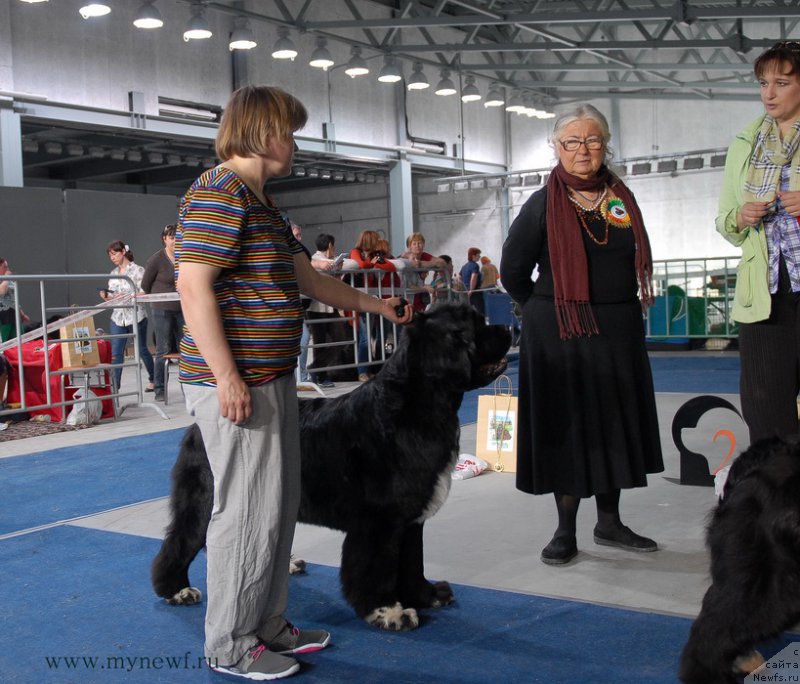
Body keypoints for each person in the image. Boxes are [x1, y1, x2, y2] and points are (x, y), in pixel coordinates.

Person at [175, 85, 411, 682]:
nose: (296, 144)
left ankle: (267, 623)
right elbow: (192, 287)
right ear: (261, 132)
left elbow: (308, 279)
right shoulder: (219, 192)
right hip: (239, 382)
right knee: (245, 513)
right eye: (290, 131)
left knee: (275, 509)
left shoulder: (264, 203)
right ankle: (230, 643)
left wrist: (377, 306)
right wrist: (227, 376)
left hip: (273, 376)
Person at [500, 103, 663, 566]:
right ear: (556, 147)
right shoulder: (541, 204)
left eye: (592, 140)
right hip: (561, 332)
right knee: (569, 428)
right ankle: (565, 530)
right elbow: (513, 269)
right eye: (572, 142)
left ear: (606, 145)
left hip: (618, 329)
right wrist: (549, 305)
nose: (583, 150)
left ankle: (609, 522)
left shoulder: (620, 197)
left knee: (614, 424)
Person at [717, 40, 800, 442]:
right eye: (763, 83)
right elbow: (725, 221)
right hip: (764, 294)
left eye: (781, 83)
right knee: (764, 412)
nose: (769, 93)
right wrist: (741, 216)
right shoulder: (745, 144)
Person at [100, 241, 155, 392]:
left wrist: (129, 296)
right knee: (116, 353)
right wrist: (106, 296)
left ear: (123, 252)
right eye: (110, 255)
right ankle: (114, 387)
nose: (112, 258)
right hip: (118, 317)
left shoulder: (138, 270)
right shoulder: (113, 274)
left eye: (114, 254)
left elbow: (145, 292)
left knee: (142, 349)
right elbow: (112, 297)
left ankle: (154, 378)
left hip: (136, 315)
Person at [142, 224, 185, 402]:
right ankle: (159, 388)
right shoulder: (156, 259)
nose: (175, 240)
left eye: (178, 237)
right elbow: (145, 284)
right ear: (165, 239)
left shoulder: (185, 257)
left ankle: (188, 387)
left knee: (186, 348)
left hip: (183, 309)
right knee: (163, 349)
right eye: (172, 237)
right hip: (162, 310)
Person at [348, 229, 397, 381]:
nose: (377, 243)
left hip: (373, 299)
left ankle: (370, 369)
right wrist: (373, 263)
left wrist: (375, 263)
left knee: (372, 336)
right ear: (369, 240)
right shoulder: (355, 251)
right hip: (360, 299)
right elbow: (362, 264)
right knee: (364, 338)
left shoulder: (376, 255)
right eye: (375, 240)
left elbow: (391, 267)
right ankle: (362, 371)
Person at [400, 232, 444, 312]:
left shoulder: (424, 256)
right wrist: (425, 288)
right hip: (407, 300)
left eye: (420, 243)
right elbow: (407, 286)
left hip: (421, 300)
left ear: (423, 245)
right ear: (409, 247)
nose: (417, 246)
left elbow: (441, 263)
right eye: (414, 244)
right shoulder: (404, 258)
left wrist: (421, 264)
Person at [0, 258, 30, 342]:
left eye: (7, 267)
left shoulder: (9, 280)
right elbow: (1, 291)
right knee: (4, 343)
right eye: (4, 267)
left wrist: (22, 314)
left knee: (19, 342)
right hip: (2, 317)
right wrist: (6, 278)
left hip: (13, 315)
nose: (7, 269)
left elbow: (14, 299)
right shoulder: (6, 279)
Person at [460, 247, 485, 316]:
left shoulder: (464, 266)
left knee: (468, 313)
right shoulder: (475, 265)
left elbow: (459, 278)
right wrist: (471, 290)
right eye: (478, 255)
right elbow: (473, 278)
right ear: (473, 256)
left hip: (465, 292)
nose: (479, 257)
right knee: (481, 313)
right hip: (475, 293)